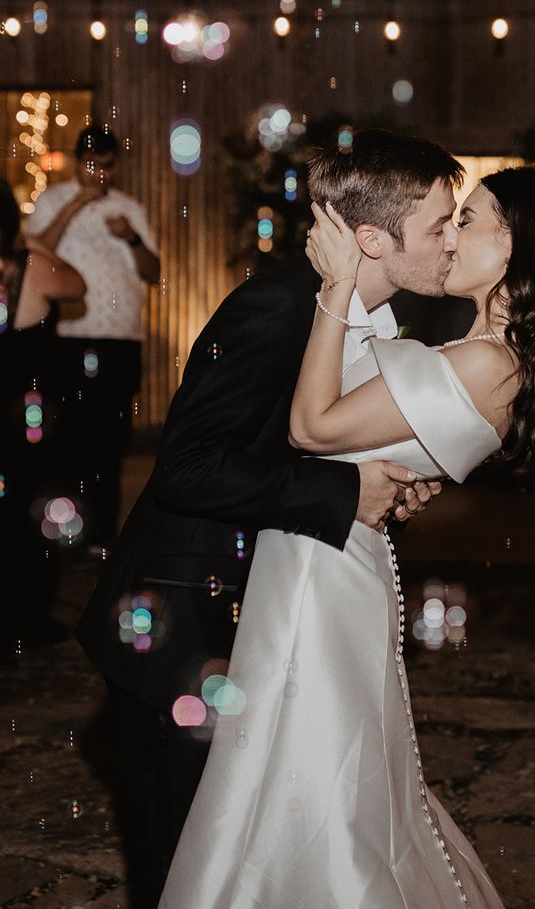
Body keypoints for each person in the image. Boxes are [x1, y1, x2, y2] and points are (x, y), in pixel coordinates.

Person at [159, 165, 535, 909]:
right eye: (447, 220)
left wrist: (338, 288)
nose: (450, 238)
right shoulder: (485, 355)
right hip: (327, 556)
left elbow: (312, 426)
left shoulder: (484, 360)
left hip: (321, 573)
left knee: (305, 783)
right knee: (306, 773)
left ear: (516, 248)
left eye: (467, 221)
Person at [76, 129, 465, 908]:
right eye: (439, 226)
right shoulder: (276, 305)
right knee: (184, 864)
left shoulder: (390, 320)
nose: (453, 240)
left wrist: (382, 490)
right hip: (186, 622)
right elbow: (188, 466)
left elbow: (314, 457)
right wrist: (340, 493)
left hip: (269, 620)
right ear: (371, 239)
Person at [24, 125, 160, 551]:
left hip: (121, 339)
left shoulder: (129, 208)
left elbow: (154, 272)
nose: (100, 173)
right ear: (77, 161)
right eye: (91, 165)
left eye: (107, 166)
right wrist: (75, 205)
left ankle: (103, 535)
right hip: (70, 338)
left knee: (112, 441)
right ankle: (66, 531)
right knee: (70, 439)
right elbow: (35, 250)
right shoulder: (52, 200)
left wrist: (132, 237)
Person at [0, 179, 86, 650]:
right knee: (30, 508)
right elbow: (77, 283)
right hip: (24, 416)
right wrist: (32, 241)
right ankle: (27, 614)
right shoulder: (31, 265)